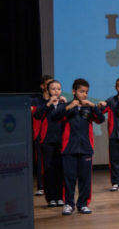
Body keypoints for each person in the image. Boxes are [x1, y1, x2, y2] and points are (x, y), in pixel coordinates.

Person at [58, 78, 105, 215]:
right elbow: (55, 117)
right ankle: (68, 204)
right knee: (69, 178)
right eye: (81, 91)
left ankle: (83, 204)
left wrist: (93, 106)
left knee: (85, 179)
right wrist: (68, 107)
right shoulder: (66, 107)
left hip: (85, 149)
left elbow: (101, 119)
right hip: (69, 149)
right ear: (74, 91)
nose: (84, 94)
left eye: (86, 92)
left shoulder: (88, 109)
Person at [33, 79, 66, 207]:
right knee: (48, 171)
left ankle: (60, 197)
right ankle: (51, 197)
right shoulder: (44, 105)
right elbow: (37, 115)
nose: (56, 91)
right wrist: (48, 104)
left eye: (58, 89)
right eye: (53, 89)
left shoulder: (64, 105)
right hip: (47, 142)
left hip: (61, 142)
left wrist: (65, 105)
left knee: (60, 170)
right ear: (48, 90)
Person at [98, 77, 119, 192]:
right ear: (116, 87)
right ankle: (115, 183)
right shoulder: (111, 100)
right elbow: (101, 111)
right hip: (114, 135)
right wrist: (100, 106)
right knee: (115, 161)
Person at [31, 74, 53, 196]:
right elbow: (33, 112)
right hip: (39, 133)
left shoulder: (57, 99)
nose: (51, 86)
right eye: (48, 84)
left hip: (53, 134)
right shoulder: (36, 100)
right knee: (40, 161)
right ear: (42, 86)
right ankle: (41, 186)